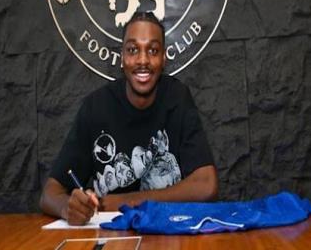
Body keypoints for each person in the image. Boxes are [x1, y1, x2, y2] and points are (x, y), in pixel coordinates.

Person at [39, 12, 218, 224]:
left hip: (165, 233)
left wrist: (122, 202)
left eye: (153, 50)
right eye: (133, 50)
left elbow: (207, 185)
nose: (143, 60)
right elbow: (49, 194)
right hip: (110, 234)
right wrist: (68, 208)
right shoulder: (96, 106)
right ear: (122, 58)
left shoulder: (177, 98)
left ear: (163, 58)